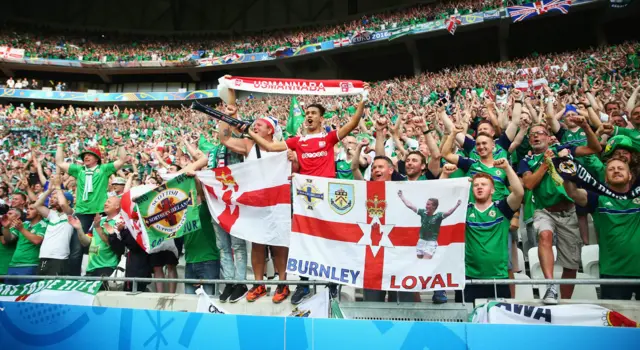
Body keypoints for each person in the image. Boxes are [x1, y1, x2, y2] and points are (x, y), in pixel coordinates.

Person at [248, 84, 369, 305]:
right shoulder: (297, 141)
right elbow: (269, 147)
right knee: (303, 242)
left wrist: (362, 100)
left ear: (322, 118)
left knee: (329, 242)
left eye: (313, 113)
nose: (309, 116)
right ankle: (303, 285)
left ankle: (330, 286)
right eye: (307, 114)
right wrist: (250, 134)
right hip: (304, 199)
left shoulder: (329, 138)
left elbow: (352, 124)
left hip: (328, 199)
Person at [518, 124, 582, 304]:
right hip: (543, 210)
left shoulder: (562, 149)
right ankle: (550, 286)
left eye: (540, 133)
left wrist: (565, 155)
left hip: (569, 211)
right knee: (544, 235)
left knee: (571, 263)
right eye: (532, 135)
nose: (536, 137)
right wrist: (546, 163)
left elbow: (593, 149)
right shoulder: (526, 160)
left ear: (548, 137)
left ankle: (566, 302)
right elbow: (529, 183)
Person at [445, 159, 524, 304]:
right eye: (475, 185)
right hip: (468, 278)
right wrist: (444, 175)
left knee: (497, 323)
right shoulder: (464, 210)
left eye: (484, 184)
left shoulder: (502, 208)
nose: (479, 187)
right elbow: (439, 200)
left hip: (498, 277)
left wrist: (507, 168)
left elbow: (519, 193)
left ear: (493, 190)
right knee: (467, 323)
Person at [563, 158, 640, 300]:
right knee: (615, 320)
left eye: (620, 168)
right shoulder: (598, 200)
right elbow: (573, 193)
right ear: (605, 178)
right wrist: (568, 171)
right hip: (612, 273)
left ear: (630, 176)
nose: (616, 170)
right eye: (611, 169)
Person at [56, 135, 127, 276]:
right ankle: (74, 280)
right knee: (76, 249)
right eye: (85, 155)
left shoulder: (104, 169)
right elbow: (59, 162)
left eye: (90, 155)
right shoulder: (79, 170)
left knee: (103, 245)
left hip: (99, 213)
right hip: (82, 212)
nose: (86, 157)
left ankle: (111, 273)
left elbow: (122, 160)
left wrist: (120, 144)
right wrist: (60, 145)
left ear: (97, 158)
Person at [33, 176, 79, 276]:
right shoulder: (52, 214)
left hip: (59, 257)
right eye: (53, 198)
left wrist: (58, 187)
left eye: (57, 198)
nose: (54, 200)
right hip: (44, 255)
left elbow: (62, 204)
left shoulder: (71, 214)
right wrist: (49, 190)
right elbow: (36, 205)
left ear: (69, 202)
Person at [397, 193, 462, 260]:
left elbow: (448, 213)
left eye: (428, 204)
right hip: (421, 241)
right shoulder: (423, 212)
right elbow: (410, 206)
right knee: (419, 261)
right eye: (426, 204)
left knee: (426, 261)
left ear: (434, 206)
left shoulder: (438, 215)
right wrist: (401, 196)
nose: (426, 206)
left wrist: (457, 205)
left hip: (431, 242)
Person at [75, 197, 122, 281]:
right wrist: (79, 229)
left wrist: (98, 228)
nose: (105, 203)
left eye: (109, 202)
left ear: (117, 206)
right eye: (105, 201)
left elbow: (111, 243)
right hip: (91, 267)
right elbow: (86, 242)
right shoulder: (99, 220)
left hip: (107, 266)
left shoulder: (119, 221)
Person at [1, 204, 47, 284]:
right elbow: (8, 239)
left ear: (39, 212)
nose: (28, 210)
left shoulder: (43, 225)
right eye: (27, 208)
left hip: (30, 264)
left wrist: (21, 229)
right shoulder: (24, 224)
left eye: (31, 209)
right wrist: (6, 228)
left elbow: (37, 240)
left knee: (25, 294)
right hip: (13, 264)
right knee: (10, 294)